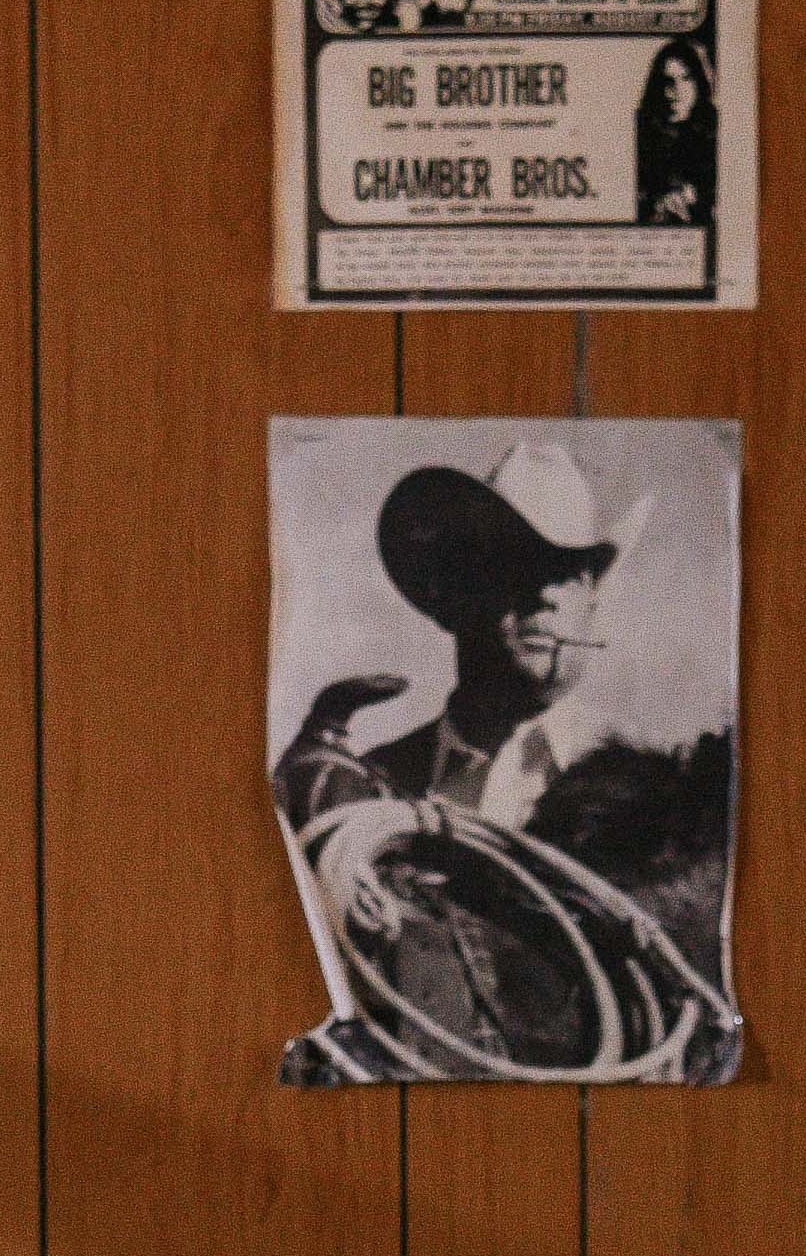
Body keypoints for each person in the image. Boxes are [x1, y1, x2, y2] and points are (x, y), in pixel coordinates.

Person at [274, 446, 736, 1082]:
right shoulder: (363, 794)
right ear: (458, 594)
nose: (546, 593)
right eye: (518, 562)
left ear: (593, 603)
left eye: (574, 573)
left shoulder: (657, 816)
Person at [633, 36, 717, 229]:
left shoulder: (715, 135)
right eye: (667, 81)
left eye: (686, 79)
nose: (675, 91)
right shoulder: (643, 136)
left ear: (699, 84)